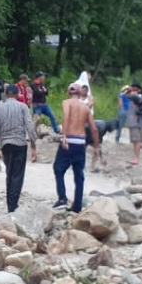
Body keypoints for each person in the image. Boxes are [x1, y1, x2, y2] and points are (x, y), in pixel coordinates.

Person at [0, 85, 37, 214]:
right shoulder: (23, 107)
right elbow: (29, 126)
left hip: (6, 145)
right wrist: (33, 146)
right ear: (17, 94)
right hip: (20, 144)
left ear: (5, 94)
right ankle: (12, 206)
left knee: (9, 173)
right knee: (17, 175)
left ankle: (10, 204)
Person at [53, 83, 98, 213]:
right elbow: (94, 128)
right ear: (80, 93)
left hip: (70, 139)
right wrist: (96, 147)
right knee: (79, 174)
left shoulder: (67, 103)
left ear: (68, 92)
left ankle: (62, 198)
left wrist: (64, 136)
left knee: (58, 168)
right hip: (80, 142)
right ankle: (77, 205)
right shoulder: (85, 107)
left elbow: (66, 117)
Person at [125, 83, 142, 165]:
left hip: (134, 122)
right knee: (136, 141)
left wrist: (138, 114)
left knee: (136, 141)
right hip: (135, 122)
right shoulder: (135, 96)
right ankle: (135, 157)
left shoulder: (134, 97)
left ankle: (136, 158)